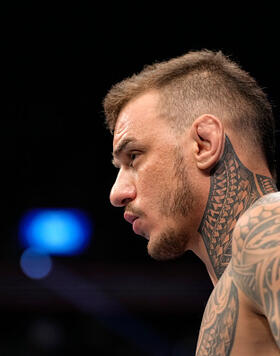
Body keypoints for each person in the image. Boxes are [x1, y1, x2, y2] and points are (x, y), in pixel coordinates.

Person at [103, 50, 280, 355]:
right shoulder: (229, 291)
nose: (116, 194)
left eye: (133, 157)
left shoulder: (268, 224)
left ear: (204, 144)